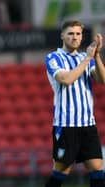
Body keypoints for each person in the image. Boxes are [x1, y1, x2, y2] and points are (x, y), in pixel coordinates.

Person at [45, 20, 105, 187]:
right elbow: (66, 79)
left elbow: (103, 79)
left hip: (87, 124)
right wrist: (87, 59)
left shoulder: (85, 58)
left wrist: (97, 55)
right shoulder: (53, 57)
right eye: (70, 33)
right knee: (61, 171)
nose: (75, 37)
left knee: (97, 169)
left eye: (78, 34)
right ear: (62, 35)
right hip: (66, 125)